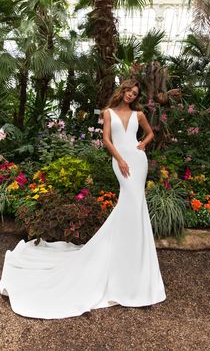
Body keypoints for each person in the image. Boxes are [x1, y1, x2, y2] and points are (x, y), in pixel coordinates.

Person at [0, 79, 166, 319]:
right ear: (122, 91)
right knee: (128, 203)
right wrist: (120, 159)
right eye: (129, 91)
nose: (131, 95)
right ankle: (124, 259)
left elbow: (150, 133)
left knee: (135, 206)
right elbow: (107, 140)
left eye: (135, 93)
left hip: (138, 162)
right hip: (121, 162)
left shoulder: (139, 114)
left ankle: (134, 262)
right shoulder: (108, 112)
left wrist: (142, 145)